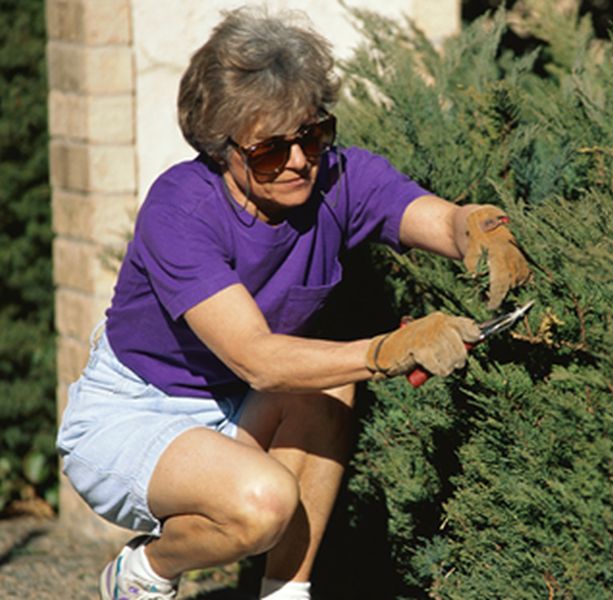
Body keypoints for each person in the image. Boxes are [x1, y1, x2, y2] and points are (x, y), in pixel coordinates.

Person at [56, 6, 530, 600]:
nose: (300, 161)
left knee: (331, 382)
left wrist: (480, 229)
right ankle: (149, 569)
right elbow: (259, 359)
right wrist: (388, 349)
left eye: (311, 135)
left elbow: (442, 221)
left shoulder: (341, 179)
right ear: (221, 148)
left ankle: (286, 593)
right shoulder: (180, 208)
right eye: (269, 152)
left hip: (238, 408)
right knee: (264, 503)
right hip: (138, 412)